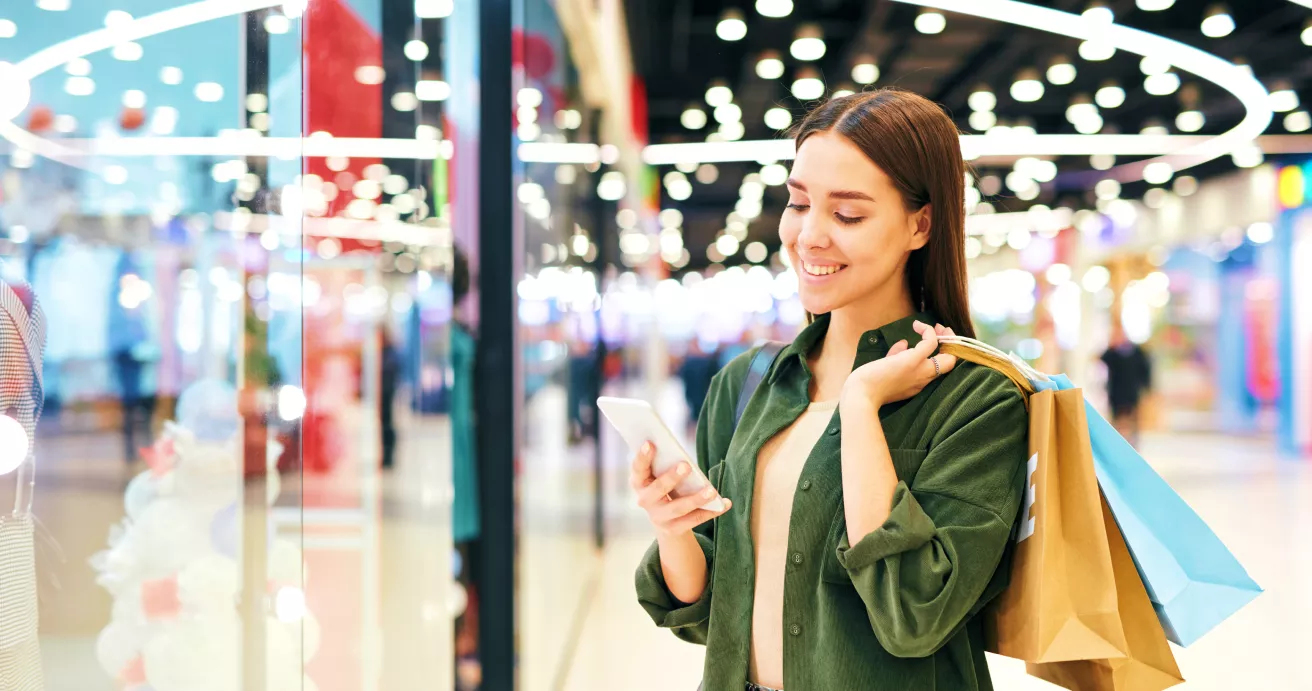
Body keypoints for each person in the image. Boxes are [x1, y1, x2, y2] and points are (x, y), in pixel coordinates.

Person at [632, 89, 1029, 691]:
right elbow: (713, 615)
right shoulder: (746, 383)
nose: (808, 236)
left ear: (920, 225)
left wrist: (862, 405)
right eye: (798, 203)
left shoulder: (978, 400)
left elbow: (914, 616)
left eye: (847, 215)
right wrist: (673, 528)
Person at [1101, 321, 1152, 446]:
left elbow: (1145, 370)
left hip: (1131, 392)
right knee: (1116, 418)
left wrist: (1147, 387)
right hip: (1116, 392)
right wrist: (1111, 345)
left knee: (1132, 418)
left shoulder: (1137, 352)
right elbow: (1102, 359)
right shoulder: (1112, 352)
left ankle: (1133, 443)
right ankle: (1117, 442)